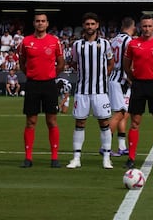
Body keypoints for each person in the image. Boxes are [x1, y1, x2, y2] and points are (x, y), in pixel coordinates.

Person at [66, 12, 114, 169]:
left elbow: (111, 62)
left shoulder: (106, 44)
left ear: (97, 25)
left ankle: (106, 157)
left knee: (104, 123)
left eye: (93, 24)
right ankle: (76, 158)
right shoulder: (77, 45)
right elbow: (73, 63)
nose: (90, 27)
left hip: (100, 91)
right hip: (82, 91)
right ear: (84, 26)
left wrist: (102, 76)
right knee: (80, 123)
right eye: (87, 24)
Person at [123, 14, 153, 169]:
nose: (147, 29)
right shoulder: (133, 44)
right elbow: (127, 66)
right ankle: (131, 158)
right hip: (138, 85)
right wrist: (133, 80)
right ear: (140, 27)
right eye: (144, 26)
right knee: (135, 122)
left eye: (150, 26)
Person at [18, 12, 65, 168]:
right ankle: (28, 158)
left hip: (49, 85)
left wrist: (50, 75)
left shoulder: (54, 41)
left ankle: (54, 158)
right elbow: (22, 63)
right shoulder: (26, 41)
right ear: (34, 23)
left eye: (43, 21)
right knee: (31, 121)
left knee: (51, 121)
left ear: (47, 23)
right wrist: (32, 75)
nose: (40, 23)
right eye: (37, 21)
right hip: (32, 85)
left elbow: (60, 63)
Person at [98, 16, 136, 157]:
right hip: (121, 80)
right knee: (119, 113)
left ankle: (121, 146)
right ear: (133, 27)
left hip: (113, 78)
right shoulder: (129, 41)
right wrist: (132, 79)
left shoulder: (114, 40)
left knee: (123, 113)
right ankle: (104, 146)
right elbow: (129, 61)